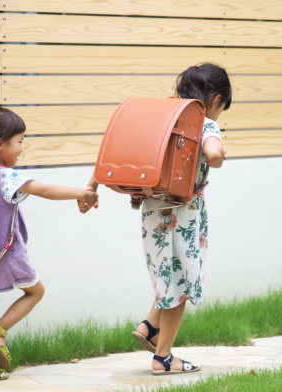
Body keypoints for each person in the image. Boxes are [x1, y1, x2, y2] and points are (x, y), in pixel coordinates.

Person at [85, 63, 232, 375]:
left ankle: (150, 325)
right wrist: (217, 150)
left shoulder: (162, 118)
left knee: (167, 272)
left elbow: (116, 151)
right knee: (180, 283)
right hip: (185, 212)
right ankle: (163, 357)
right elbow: (215, 154)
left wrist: (91, 188)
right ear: (216, 100)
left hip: (153, 211)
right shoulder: (203, 122)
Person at [0, 106, 98, 382]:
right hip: (3, 254)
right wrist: (82, 193)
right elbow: (43, 189)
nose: (22, 148)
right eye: (19, 141)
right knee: (35, 291)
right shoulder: (5, 175)